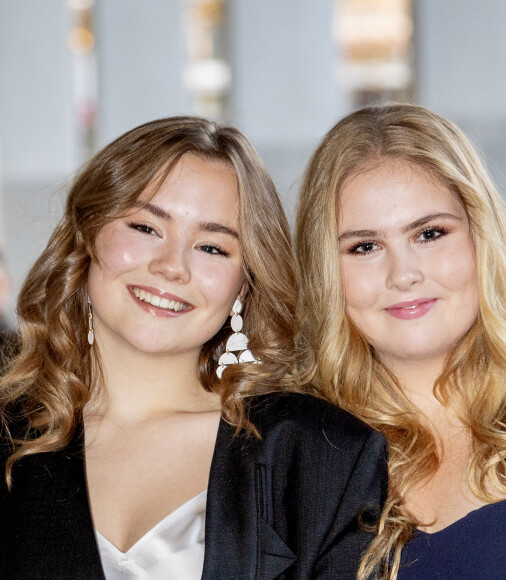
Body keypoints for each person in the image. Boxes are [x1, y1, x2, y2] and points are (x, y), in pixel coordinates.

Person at [0, 116, 388, 580]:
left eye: (211, 248)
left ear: (244, 284)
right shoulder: (9, 432)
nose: (171, 267)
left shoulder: (319, 454)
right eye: (146, 227)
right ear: (85, 239)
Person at [295, 103, 506, 579]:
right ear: (325, 269)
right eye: (364, 247)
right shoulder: (290, 441)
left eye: (429, 234)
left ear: (480, 234)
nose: (403, 274)